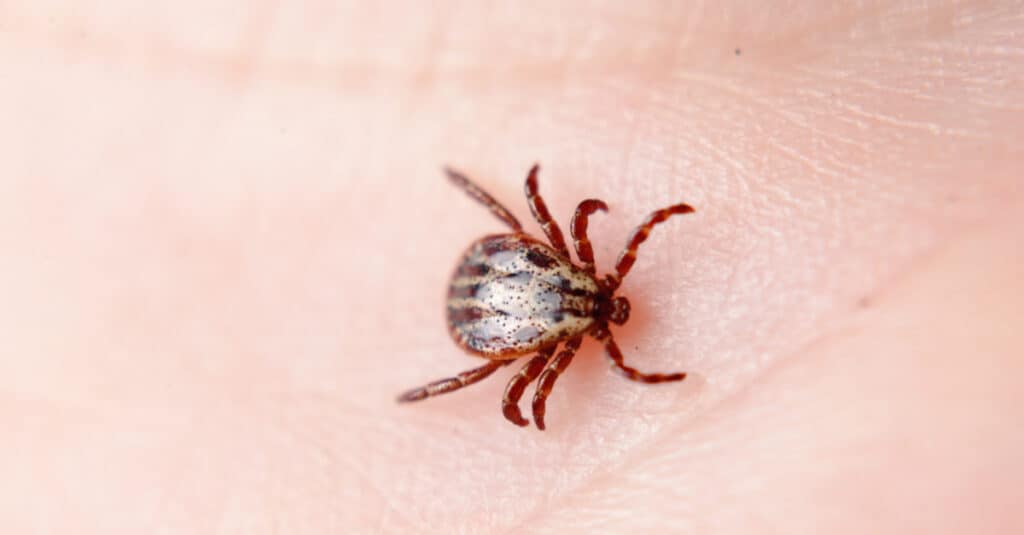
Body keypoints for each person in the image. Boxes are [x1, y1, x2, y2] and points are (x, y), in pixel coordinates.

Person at [1, 2, 1021, 533]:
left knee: (516, 321)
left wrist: (609, 301)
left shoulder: (566, 299)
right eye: (603, 290)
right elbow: (548, 285)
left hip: (490, 299)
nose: (608, 293)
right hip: (493, 301)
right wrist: (624, 354)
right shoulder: (576, 308)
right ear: (584, 274)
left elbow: (548, 222)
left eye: (600, 289)